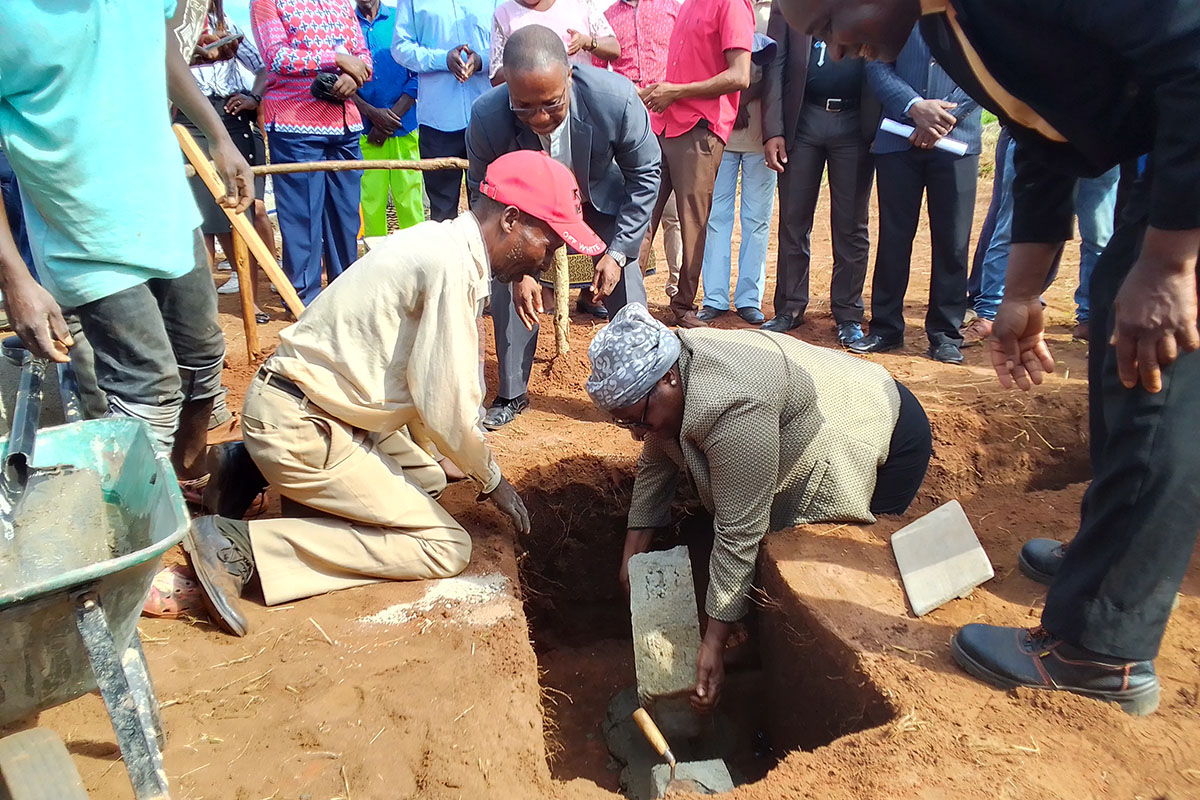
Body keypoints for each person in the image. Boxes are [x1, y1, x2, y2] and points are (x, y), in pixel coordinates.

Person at [777, 0, 1200, 717]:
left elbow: (1191, 49)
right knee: (1114, 326)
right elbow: (1043, 131)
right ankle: (1102, 562)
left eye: (826, 29)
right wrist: (1023, 292)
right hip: (1159, 153)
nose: (838, 54)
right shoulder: (946, 24)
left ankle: (1102, 649)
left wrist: (1169, 263)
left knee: (1155, 381)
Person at [189, 151, 601, 637]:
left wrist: (449, 455)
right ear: (511, 220)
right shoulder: (449, 267)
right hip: (304, 423)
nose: (548, 260)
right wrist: (492, 479)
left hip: (312, 408)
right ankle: (241, 547)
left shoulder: (444, 244)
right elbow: (448, 406)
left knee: (428, 478)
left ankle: (248, 466)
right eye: (548, 243)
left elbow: (418, 378)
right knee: (445, 547)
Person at [586, 303, 931, 711]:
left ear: (668, 378)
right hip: (827, 400)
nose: (636, 434)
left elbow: (739, 532)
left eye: (638, 420)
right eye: (626, 423)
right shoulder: (677, 367)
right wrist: (631, 558)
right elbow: (655, 462)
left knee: (806, 560)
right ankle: (744, 644)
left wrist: (713, 644)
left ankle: (765, 655)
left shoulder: (733, 405)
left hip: (877, 428)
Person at [0, 0, 254, 504]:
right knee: (147, 390)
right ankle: (134, 528)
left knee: (202, 360)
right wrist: (15, 278)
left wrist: (219, 137)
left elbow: (160, 46)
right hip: (82, 231)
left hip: (166, 209)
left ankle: (182, 481)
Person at [467, 25, 661, 429]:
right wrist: (519, 270)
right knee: (508, 277)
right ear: (507, 88)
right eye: (524, 106)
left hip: (597, 203)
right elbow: (483, 199)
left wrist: (618, 252)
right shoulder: (488, 117)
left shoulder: (615, 99)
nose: (539, 117)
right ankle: (512, 392)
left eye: (552, 104)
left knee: (625, 281)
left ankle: (640, 388)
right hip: (529, 216)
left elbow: (645, 173)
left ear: (569, 77)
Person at [849, 25, 980, 365]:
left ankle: (946, 334)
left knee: (953, 241)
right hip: (898, 137)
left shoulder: (976, 13)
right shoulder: (897, 11)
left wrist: (942, 118)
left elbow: (986, 67)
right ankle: (885, 328)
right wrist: (914, 107)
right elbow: (876, 64)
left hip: (958, 141)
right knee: (894, 237)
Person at [760, 1, 877, 344]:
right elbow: (775, 65)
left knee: (851, 225)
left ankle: (848, 313)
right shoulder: (791, 5)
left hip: (855, 123)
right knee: (793, 220)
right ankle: (790, 308)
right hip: (803, 121)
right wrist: (773, 130)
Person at [637, 0, 755, 329]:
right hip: (664, 124)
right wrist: (662, 93)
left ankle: (683, 306)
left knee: (692, 222)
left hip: (700, 128)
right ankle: (629, 300)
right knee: (642, 213)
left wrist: (677, 92)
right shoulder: (688, 4)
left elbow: (740, 75)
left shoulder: (732, 4)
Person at [251, 0, 372, 305]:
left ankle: (346, 300)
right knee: (302, 221)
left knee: (346, 219)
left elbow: (362, 55)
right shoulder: (267, 2)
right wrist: (337, 59)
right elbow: (276, 56)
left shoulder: (341, 2)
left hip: (345, 126)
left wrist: (354, 76)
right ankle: (304, 304)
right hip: (295, 126)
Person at [963, 128, 1120, 345]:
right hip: (1038, 137)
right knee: (1010, 228)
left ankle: (1091, 318)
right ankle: (989, 313)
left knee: (1099, 236)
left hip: (1098, 142)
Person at [181, 0, 273, 324]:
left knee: (239, 215)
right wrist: (192, 54)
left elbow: (263, 67)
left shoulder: (226, 22)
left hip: (232, 116)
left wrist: (254, 97)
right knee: (200, 221)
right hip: (188, 119)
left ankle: (252, 302)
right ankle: (203, 315)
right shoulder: (171, 24)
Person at [697, 0, 775, 326]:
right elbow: (707, 61)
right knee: (716, 215)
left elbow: (779, 68)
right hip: (721, 128)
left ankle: (748, 299)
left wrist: (745, 98)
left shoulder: (775, 11)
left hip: (763, 134)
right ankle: (714, 297)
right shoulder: (720, 5)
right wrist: (734, 101)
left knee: (757, 219)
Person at [602, 0, 685, 301]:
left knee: (673, 215)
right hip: (625, 128)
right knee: (628, 209)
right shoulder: (608, 17)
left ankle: (677, 288)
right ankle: (628, 294)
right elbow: (599, 73)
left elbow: (685, 58)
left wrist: (670, 91)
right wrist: (626, 94)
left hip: (670, 121)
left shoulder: (672, 8)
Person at [392, 0, 499, 222]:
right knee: (442, 212)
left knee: (490, 206)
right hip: (438, 121)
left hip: (488, 117)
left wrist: (481, 60)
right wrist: (442, 59)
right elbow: (400, 47)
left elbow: (507, 44)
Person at [354, 0, 424, 238]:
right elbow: (339, 77)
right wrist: (372, 115)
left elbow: (417, 74)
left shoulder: (401, 20)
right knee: (371, 202)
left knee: (409, 200)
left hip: (404, 128)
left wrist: (388, 120)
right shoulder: (346, 24)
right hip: (366, 133)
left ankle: (416, 257)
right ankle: (375, 259)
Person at [490, 0, 620, 85]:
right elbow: (495, 76)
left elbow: (614, 49)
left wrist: (587, 42)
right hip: (534, 109)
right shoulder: (504, 14)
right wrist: (527, 64)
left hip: (581, 100)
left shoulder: (579, 3)